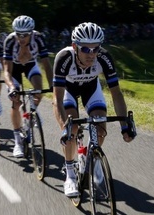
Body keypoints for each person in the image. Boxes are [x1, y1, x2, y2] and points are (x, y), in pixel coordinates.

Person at [52, 22, 136, 197]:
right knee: (72, 128)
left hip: (91, 88)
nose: (91, 54)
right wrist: (64, 127)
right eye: (85, 49)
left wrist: (124, 127)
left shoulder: (104, 58)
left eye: (95, 49)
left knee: (100, 127)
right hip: (69, 90)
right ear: (75, 46)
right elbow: (57, 99)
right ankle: (70, 173)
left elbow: (116, 94)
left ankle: (94, 161)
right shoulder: (64, 58)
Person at [3, 15, 53, 157]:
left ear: (31, 32)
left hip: (31, 65)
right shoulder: (10, 41)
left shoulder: (38, 38)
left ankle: (31, 112)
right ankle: (18, 141)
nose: (22, 37)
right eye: (19, 34)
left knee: (39, 88)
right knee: (15, 101)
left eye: (25, 34)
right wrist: (12, 87)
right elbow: (6, 71)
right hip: (14, 69)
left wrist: (52, 86)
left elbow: (46, 64)